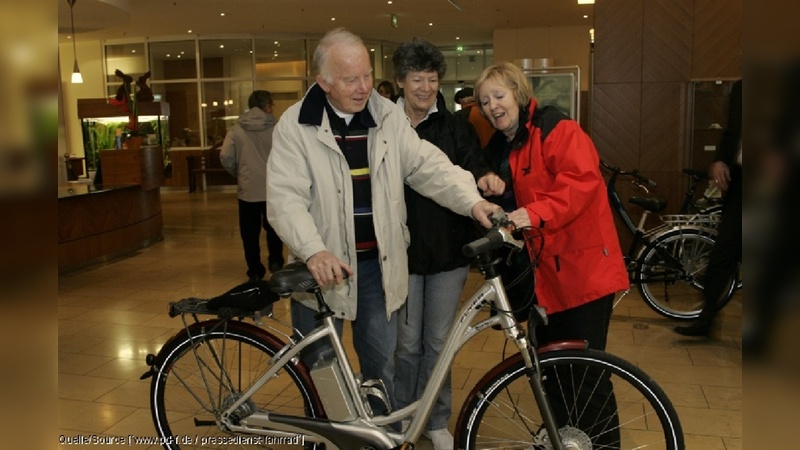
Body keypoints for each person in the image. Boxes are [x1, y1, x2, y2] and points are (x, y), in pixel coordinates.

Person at [265, 28, 500, 418]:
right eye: (350, 79)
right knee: (321, 367)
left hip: (376, 268)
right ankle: (330, 436)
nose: (363, 88)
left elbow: (427, 165)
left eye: (366, 76)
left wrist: (472, 201)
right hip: (321, 270)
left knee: (380, 367)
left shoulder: (386, 115)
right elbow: (286, 199)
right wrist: (313, 249)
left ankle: (378, 435)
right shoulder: (296, 125)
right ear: (323, 81)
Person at [475, 62, 629, 446]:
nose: (492, 106)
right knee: (551, 371)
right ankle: (566, 440)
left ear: (518, 92)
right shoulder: (511, 143)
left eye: (499, 95)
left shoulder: (557, 129)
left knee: (586, 374)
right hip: (546, 277)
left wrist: (534, 213)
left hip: (583, 273)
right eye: (484, 101)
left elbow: (582, 183)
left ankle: (604, 445)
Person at [391, 40, 504, 450]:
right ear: (401, 82)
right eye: (416, 79)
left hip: (446, 251)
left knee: (438, 341)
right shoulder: (387, 126)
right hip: (400, 253)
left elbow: (473, 164)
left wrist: (486, 177)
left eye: (432, 79)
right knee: (405, 345)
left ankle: (436, 418)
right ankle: (403, 415)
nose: (424, 87)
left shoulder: (456, 125)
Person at [675, 79, 742, 337]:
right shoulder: (741, 88)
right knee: (723, 252)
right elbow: (733, 131)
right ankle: (707, 319)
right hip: (742, 182)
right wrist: (721, 160)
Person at [220, 90, 284, 281]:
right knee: (274, 229)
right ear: (266, 107)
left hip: (247, 191)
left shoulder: (235, 130)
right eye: (271, 105)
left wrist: (239, 173)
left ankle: (255, 270)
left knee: (249, 234)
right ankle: (276, 261)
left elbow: (225, 156)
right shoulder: (278, 129)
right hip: (273, 189)